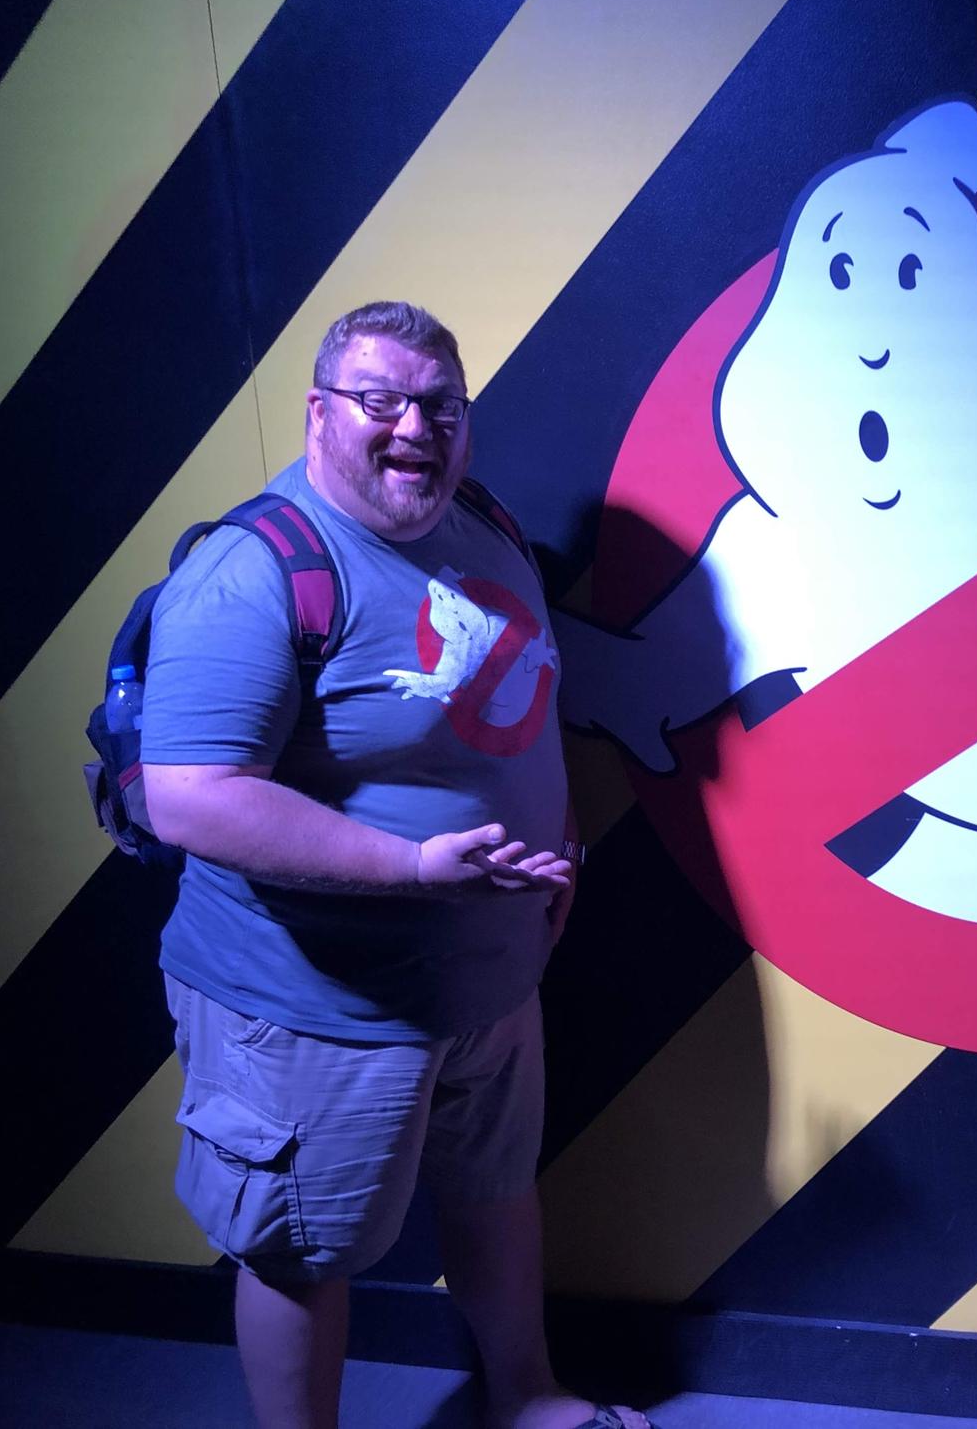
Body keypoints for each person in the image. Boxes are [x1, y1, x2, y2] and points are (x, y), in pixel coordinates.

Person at [143, 301, 648, 1429]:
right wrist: (417, 867)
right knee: (300, 1247)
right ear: (319, 413)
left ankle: (526, 1398)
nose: (415, 427)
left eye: (440, 405)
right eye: (380, 400)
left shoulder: (481, 521)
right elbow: (191, 795)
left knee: (493, 1192)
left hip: (486, 980)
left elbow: (518, 704)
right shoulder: (254, 572)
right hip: (315, 1003)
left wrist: (557, 845)